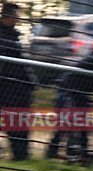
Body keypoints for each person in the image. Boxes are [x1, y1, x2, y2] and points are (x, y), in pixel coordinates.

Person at [46, 38, 93, 163]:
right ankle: (67, 153)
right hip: (69, 93)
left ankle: (80, 154)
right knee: (70, 125)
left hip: (79, 94)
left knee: (82, 126)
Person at [0, 2, 33, 161]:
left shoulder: (14, 36)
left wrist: (30, 81)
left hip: (18, 87)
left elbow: (20, 62)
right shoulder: (5, 37)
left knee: (18, 122)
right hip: (6, 86)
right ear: (6, 17)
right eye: (15, 16)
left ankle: (21, 156)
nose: (18, 19)